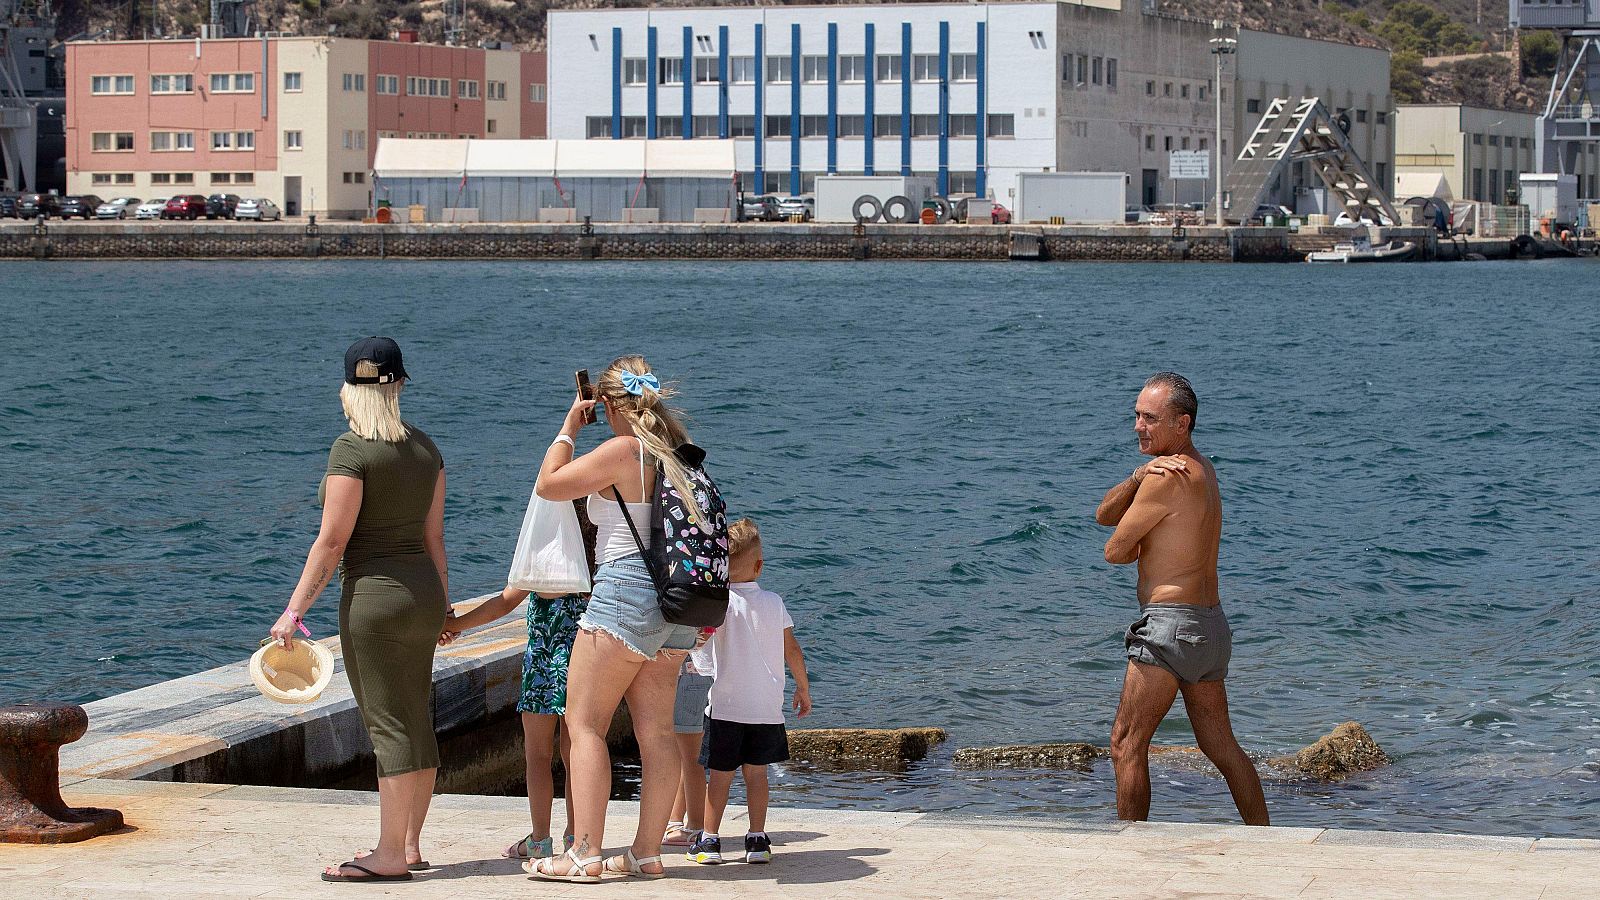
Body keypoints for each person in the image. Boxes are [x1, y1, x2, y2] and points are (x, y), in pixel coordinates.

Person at [270, 337, 450, 883]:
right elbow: (434, 538)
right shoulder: (426, 449)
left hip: (375, 599)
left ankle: (389, 854)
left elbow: (331, 543)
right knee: (415, 717)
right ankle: (410, 843)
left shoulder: (351, 451)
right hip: (422, 594)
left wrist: (293, 612)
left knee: (389, 726)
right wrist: (442, 607)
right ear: (398, 385)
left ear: (350, 388)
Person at [527, 356, 710, 882]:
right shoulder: (677, 451)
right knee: (656, 734)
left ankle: (583, 854)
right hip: (677, 600)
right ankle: (646, 854)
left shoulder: (622, 450)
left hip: (626, 590)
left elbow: (550, 484)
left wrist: (567, 427)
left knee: (584, 725)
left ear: (606, 404)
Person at [1094, 372, 1269, 826]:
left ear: (1182, 423)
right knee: (1222, 748)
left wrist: (1137, 535)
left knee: (1126, 743)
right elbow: (1103, 515)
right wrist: (1137, 475)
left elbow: (1114, 550)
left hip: (1169, 627)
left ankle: (1131, 851)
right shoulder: (1203, 470)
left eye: (1150, 418)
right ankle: (1268, 842)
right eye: (1136, 415)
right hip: (1209, 628)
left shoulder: (1165, 480)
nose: (1138, 426)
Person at [439, 500, 596, 863]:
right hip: (586, 667)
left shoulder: (544, 560)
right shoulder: (597, 560)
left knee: (537, 756)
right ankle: (577, 836)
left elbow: (502, 603)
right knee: (578, 755)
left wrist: (453, 625)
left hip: (543, 668)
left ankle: (540, 840)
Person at [689, 518, 812, 865]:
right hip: (766, 709)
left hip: (727, 707)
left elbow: (701, 640)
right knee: (757, 775)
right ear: (759, 565)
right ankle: (757, 840)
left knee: (720, 778)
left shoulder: (721, 603)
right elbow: (793, 650)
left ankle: (710, 841)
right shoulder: (774, 602)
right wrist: (803, 688)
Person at [663, 630, 716, 849]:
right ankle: (676, 819)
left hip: (687, 676)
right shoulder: (716, 599)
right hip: (701, 676)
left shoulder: (692, 600)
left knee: (690, 757)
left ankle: (695, 825)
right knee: (685, 753)